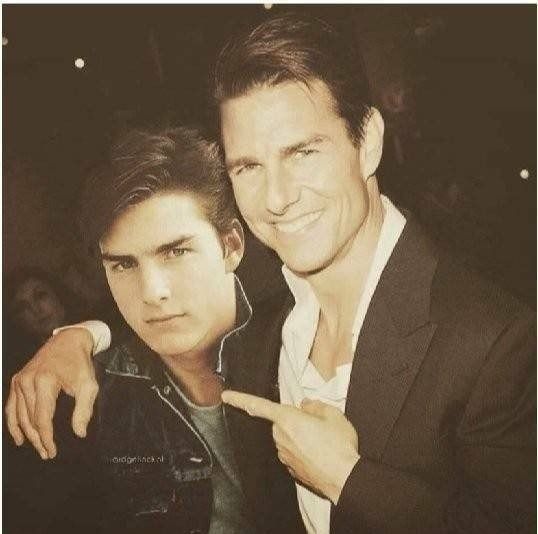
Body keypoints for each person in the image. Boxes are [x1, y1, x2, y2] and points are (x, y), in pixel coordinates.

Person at [6, 13, 535, 534]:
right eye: (249, 167)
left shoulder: (495, 342)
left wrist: (348, 479)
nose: (277, 199)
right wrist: (77, 337)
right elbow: (171, 295)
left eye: (302, 152)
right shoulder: (268, 293)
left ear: (367, 141)